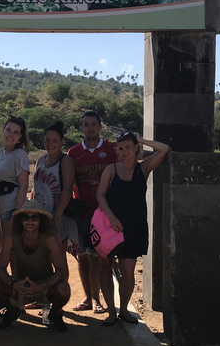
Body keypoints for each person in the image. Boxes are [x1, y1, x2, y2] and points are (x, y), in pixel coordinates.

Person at [95, 132, 170, 325]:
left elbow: (164, 149)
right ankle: (111, 311)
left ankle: (124, 311)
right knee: (106, 266)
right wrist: (111, 217)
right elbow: (100, 195)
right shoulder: (111, 169)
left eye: (128, 147)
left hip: (134, 227)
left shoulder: (143, 168)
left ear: (136, 148)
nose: (124, 152)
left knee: (127, 270)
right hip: (110, 227)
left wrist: (141, 139)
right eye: (120, 148)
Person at [0, 200, 70, 332]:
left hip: (44, 286)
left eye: (34, 217)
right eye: (26, 217)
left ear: (41, 220)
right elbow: (0, 267)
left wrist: (41, 286)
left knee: (64, 289)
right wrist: (13, 284)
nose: (30, 221)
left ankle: (54, 314)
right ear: (20, 220)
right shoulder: (11, 237)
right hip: (19, 287)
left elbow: (61, 270)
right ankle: (13, 311)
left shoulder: (50, 238)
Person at [66, 110, 117, 314]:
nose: (90, 128)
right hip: (82, 211)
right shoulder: (74, 152)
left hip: (105, 213)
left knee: (98, 257)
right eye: (86, 125)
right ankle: (88, 298)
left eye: (93, 124)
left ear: (100, 127)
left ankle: (97, 299)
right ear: (82, 128)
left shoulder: (112, 149)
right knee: (83, 256)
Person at [0, 116, 30, 308]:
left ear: (20, 137)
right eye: (8, 130)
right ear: (3, 131)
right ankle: (5, 291)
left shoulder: (20, 155)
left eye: (16, 132)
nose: (11, 134)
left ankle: (18, 301)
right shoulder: (2, 152)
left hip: (11, 208)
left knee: (11, 255)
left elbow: (23, 186)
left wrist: (17, 212)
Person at [32, 121, 79, 252]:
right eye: (47, 140)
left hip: (58, 216)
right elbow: (36, 188)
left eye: (54, 140)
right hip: (40, 215)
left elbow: (67, 190)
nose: (50, 144)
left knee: (57, 256)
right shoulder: (41, 160)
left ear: (61, 141)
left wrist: (56, 217)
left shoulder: (65, 161)